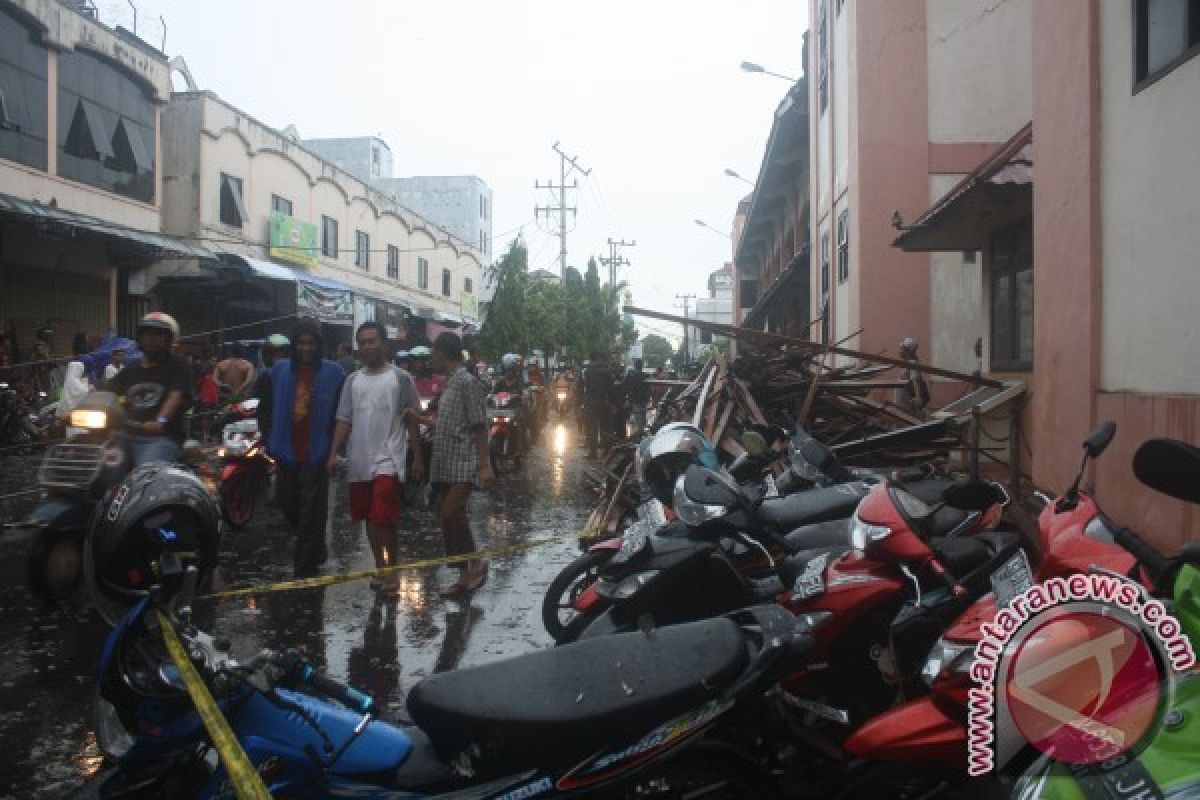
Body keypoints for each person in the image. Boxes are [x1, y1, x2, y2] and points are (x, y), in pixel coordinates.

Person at [327, 322, 424, 592]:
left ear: (384, 343)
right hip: (359, 459)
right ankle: (381, 568)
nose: (368, 346)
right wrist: (333, 453)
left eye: (373, 341)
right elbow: (344, 419)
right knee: (369, 517)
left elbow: (412, 420)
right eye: (363, 342)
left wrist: (417, 458)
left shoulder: (401, 379)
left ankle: (392, 570)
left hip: (389, 457)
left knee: (384, 516)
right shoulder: (352, 381)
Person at [257, 319, 345, 577]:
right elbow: (264, 407)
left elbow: (341, 414)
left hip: (317, 453)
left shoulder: (334, 373)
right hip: (285, 451)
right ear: (294, 345)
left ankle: (303, 571)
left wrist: (333, 449)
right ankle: (315, 545)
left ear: (319, 345)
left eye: (311, 343)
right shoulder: (278, 372)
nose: (306, 348)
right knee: (287, 503)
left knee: (311, 513)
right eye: (301, 343)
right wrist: (269, 439)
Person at [407, 331, 491, 595]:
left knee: (450, 512)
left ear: (442, 354)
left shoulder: (468, 383)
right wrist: (419, 420)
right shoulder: (448, 384)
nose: (432, 359)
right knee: (450, 520)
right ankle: (464, 576)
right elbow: (447, 424)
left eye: (434, 354)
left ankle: (476, 562)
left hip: (464, 461)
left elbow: (479, 426)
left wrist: (485, 464)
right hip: (445, 461)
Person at [110, 312, 192, 466]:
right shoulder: (131, 368)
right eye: (146, 334)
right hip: (125, 435)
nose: (151, 339)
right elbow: (106, 391)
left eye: (158, 334)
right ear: (140, 337)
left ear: (169, 339)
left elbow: (175, 398)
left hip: (160, 439)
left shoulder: (178, 366)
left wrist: (160, 421)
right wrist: (74, 411)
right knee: (94, 462)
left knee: (145, 472)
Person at [581, 351, 613, 458]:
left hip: (591, 402)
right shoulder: (608, 371)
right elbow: (611, 388)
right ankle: (607, 451)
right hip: (604, 402)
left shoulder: (588, 371)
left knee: (592, 428)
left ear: (591, 360)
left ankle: (593, 452)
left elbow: (585, 387)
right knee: (605, 427)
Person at [897, 337, 931, 419]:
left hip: (909, 402)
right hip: (905, 401)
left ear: (907, 351)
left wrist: (918, 397)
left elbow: (915, 380)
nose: (899, 351)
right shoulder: (907, 363)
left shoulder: (912, 363)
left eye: (901, 349)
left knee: (910, 420)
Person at [625, 358, 650, 438]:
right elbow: (648, 389)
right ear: (641, 366)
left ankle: (637, 435)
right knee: (642, 417)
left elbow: (626, 386)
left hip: (635, 400)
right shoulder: (646, 376)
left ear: (635, 366)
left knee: (636, 418)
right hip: (643, 400)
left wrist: (628, 398)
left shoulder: (631, 375)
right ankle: (641, 433)